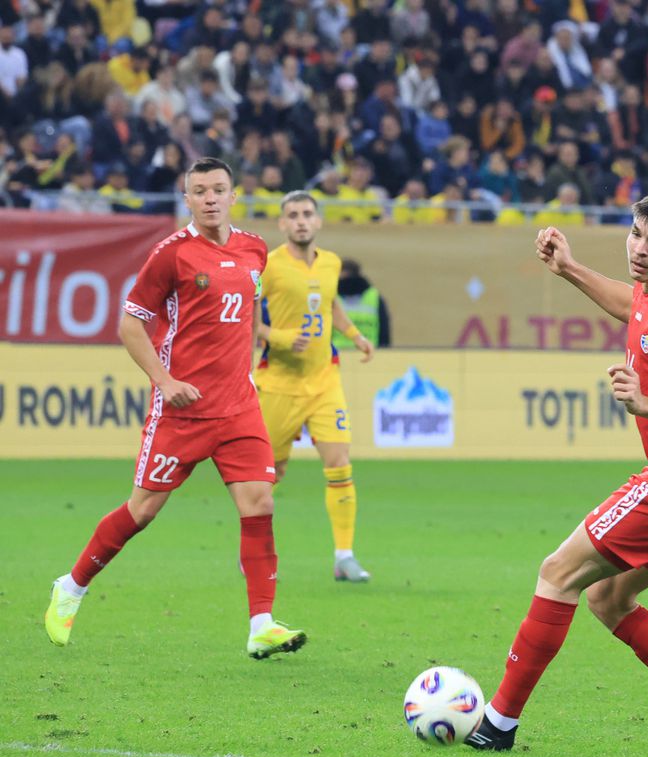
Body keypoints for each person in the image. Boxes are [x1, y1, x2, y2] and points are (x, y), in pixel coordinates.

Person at [465, 190, 648, 756]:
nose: (640, 249)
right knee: (608, 599)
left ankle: (497, 723)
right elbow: (637, 308)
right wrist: (570, 269)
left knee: (557, 572)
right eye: (636, 233)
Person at [44, 157, 307, 660]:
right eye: (200, 191)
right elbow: (130, 324)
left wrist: (246, 366)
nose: (210, 198)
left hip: (237, 408)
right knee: (142, 510)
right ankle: (71, 587)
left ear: (235, 196)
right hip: (181, 412)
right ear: (186, 199)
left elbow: (246, 314)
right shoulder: (171, 255)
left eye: (219, 189)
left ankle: (261, 623)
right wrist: (164, 381)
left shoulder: (255, 251)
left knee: (261, 503)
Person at [254, 191, 376, 582]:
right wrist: (282, 338)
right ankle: (254, 551)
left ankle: (344, 556)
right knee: (269, 474)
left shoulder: (332, 263)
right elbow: (248, 319)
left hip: (325, 380)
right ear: (283, 224)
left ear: (319, 221)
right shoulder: (269, 266)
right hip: (279, 383)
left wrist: (354, 334)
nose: (302, 221)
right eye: (293, 215)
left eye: (308, 213)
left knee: (339, 463)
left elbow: (330, 304)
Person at [332, 258, 391, 350]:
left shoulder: (332, 297)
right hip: (368, 353)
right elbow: (384, 334)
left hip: (338, 355)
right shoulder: (375, 298)